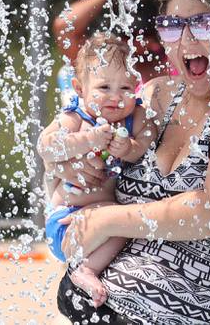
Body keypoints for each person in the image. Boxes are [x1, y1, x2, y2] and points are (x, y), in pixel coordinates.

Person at [54, 0, 210, 324]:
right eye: (172, 25)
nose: (186, 40)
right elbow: (88, 137)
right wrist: (74, 162)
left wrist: (106, 220)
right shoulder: (158, 96)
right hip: (102, 297)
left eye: (202, 23)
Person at [39, 33, 157, 307]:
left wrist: (128, 147)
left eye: (126, 88)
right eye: (104, 87)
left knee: (122, 221)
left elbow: (147, 138)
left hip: (101, 222)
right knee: (119, 220)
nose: (116, 97)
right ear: (80, 88)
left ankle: (88, 269)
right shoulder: (76, 117)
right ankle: (85, 270)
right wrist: (88, 140)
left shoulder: (134, 117)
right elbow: (46, 147)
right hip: (66, 221)